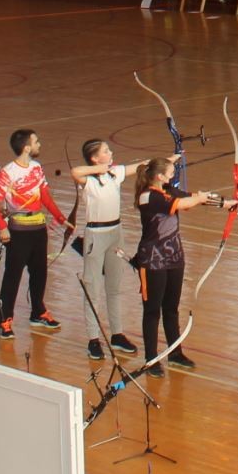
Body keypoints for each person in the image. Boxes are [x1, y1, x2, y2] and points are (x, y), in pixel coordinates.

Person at [133, 157, 235, 377]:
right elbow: (184, 203)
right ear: (159, 176)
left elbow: (191, 197)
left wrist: (224, 203)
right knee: (153, 311)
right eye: (170, 172)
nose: (173, 175)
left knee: (171, 308)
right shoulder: (148, 196)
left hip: (174, 257)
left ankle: (175, 353)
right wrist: (199, 198)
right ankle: (151, 359)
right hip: (153, 260)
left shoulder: (167, 190)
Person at [72, 139, 157, 361]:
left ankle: (117, 334)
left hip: (115, 233)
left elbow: (141, 166)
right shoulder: (89, 180)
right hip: (95, 234)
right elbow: (76, 172)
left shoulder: (114, 174)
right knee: (93, 288)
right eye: (105, 151)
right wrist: (100, 169)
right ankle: (93, 339)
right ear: (94, 158)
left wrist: (168, 160)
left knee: (114, 287)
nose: (111, 153)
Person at [0, 129, 71, 340]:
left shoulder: (36, 167)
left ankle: (38, 312)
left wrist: (61, 218)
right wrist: (2, 227)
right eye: (36, 141)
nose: (39, 144)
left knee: (40, 273)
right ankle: (5, 320)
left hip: (38, 228)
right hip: (18, 231)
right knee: (13, 276)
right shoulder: (8, 172)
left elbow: (45, 196)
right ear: (26, 147)